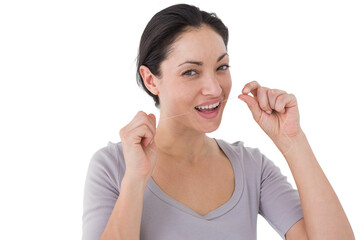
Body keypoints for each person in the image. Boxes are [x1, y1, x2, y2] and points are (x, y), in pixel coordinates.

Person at [82, 4, 355, 240]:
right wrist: (135, 180)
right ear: (151, 79)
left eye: (221, 67)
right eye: (191, 72)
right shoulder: (113, 167)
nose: (214, 88)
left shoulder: (252, 168)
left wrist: (293, 141)